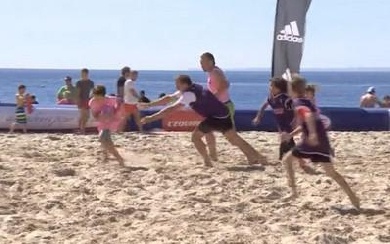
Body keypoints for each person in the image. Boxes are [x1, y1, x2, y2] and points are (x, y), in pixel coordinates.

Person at [139, 75, 266, 167]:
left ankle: (207, 161)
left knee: (195, 137)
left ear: (184, 84)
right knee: (234, 139)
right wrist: (150, 105)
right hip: (223, 114)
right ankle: (256, 157)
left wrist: (151, 118)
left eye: (177, 84)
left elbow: (171, 109)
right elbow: (169, 98)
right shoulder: (193, 87)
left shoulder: (188, 95)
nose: (176, 86)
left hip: (215, 118)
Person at [281, 75, 360, 209]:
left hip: (311, 141)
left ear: (292, 90)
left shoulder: (298, 103)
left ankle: (294, 192)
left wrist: (311, 134)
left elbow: (308, 116)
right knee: (331, 172)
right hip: (322, 141)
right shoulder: (308, 101)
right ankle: (354, 198)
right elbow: (308, 121)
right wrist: (291, 135)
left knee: (286, 160)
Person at [252, 77, 315, 173]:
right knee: (284, 140)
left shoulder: (285, 99)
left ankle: (299, 160)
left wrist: (295, 121)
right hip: (280, 123)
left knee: (288, 140)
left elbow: (295, 110)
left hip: (288, 122)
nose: (270, 87)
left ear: (278, 88)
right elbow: (264, 106)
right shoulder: (271, 97)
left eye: (271, 86)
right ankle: (285, 158)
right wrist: (258, 116)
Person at [200, 52, 234, 162]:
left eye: (202, 62)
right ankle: (213, 155)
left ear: (210, 62)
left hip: (224, 106)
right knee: (207, 130)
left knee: (232, 137)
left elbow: (225, 84)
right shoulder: (213, 72)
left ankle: (253, 155)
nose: (201, 64)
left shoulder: (215, 72)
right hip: (219, 106)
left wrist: (212, 98)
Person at [89, 85, 124, 165]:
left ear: (103, 95)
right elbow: (94, 115)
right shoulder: (92, 102)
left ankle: (118, 157)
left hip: (111, 122)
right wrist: (101, 116)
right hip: (102, 122)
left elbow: (120, 102)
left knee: (103, 138)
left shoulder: (110, 99)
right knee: (105, 140)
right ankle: (106, 156)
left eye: (99, 96)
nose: (96, 98)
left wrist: (114, 112)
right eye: (95, 96)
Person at [76, 68, 94, 134]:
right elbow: (78, 93)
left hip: (88, 100)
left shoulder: (91, 82)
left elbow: (92, 92)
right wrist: (78, 101)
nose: (83, 75)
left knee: (87, 116)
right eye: (82, 74)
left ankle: (80, 128)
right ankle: (82, 130)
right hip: (82, 100)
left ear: (87, 74)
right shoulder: (79, 82)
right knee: (83, 115)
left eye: (84, 74)